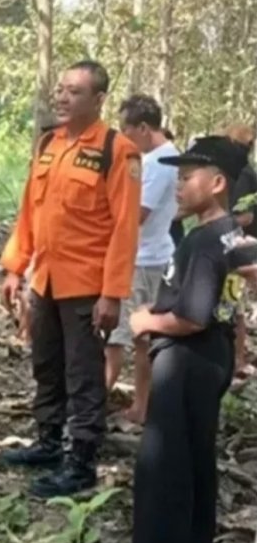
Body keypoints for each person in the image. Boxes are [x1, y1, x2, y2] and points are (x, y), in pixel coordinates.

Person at [0, 60, 141, 497]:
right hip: (45, 281)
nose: (62, 97)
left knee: (83, 375)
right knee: (46, 366)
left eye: (74, 91)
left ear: (99, 100)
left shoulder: (117, 151)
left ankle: (80, 462)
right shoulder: (48, 144)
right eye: (60, 89)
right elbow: (30, 213)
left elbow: (124, 227)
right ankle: (48, 442)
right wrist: (14, 268)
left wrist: (112, 294)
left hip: (86, 286)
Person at [126, 136, 249, 543]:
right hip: (211, 357)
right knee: (196, 450)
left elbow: (191, 317)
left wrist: (145, 319)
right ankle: (195, 539)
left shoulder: (203, 240)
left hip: (185, 360)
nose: (177, 186)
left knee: (165, 463)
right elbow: (231, 301)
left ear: (217, 183)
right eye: (176, 177)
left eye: (187, 177)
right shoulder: (231, 234)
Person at [104, 95, 179, 424]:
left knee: (119, 336)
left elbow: (137, 215)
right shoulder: (167, 158)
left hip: (141, 259)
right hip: (153, 254)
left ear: (145, 128)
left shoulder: (157, 163)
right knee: (138, 338)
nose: (123, 137)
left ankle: (98, 403)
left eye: (127, 130)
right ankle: (141, 404)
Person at [222, 123, 257, 381]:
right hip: (237, 243)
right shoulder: (237, 172)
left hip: (239, 246)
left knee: (233, 305)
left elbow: (244, 215)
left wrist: (221, 225)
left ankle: (237, 361)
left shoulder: (244, 175)